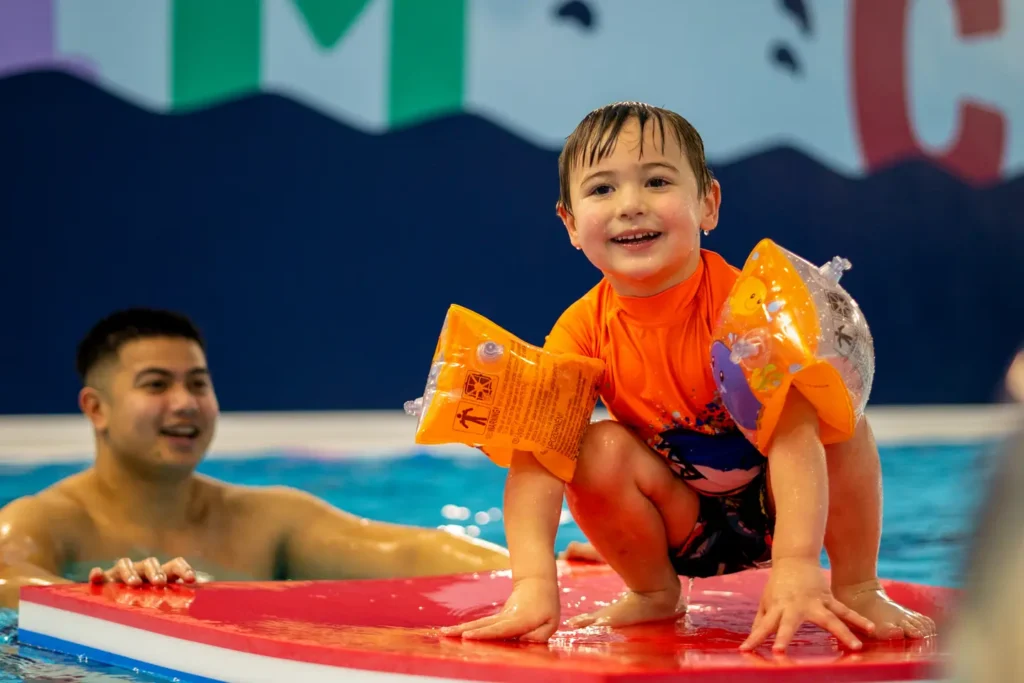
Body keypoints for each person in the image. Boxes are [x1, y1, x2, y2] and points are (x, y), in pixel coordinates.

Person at [440, 101, 936, 652]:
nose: (631, 206)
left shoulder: (744, 306)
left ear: (708, 203)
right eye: (602, 190)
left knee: (839, 422)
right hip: (685, 526)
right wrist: (533, 586)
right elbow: (538, 459)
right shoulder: (582, 330)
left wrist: (796, 565)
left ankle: (858, 585)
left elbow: (795, 434)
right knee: (588, 446)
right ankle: (654, 589)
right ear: (571, 224)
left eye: (656, 181)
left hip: (789, 506)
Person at [0, 308, 530, 609]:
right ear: (96, 409)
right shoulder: (47, 521)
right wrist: (99, 597)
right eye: (157, 384)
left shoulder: (266, 519)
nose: (185, 402)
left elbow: (410, 550)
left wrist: (538, 570)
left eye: (198, 384)